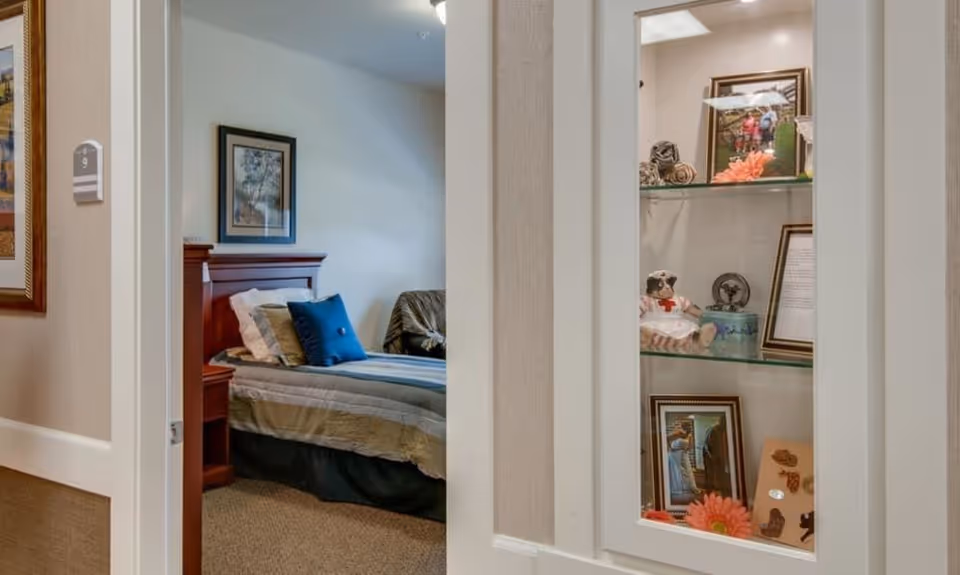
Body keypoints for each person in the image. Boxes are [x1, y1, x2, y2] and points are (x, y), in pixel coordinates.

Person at [667, 422, 700, 502]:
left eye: (689, 426)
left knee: (688, 471)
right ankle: (678, 488)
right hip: (674, 454)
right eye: (687, 426)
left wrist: (686, 449)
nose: (689, 428)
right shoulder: (678, 433)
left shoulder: (689, 435)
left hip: (684, 454)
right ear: (683, 426)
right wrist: (670, 448)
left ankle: (691, 488)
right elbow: (666, 438)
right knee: (677, 471)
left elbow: (690, 447)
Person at [701, 419, 732, 497]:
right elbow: (707, 445)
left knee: (713, 474)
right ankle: (709, 493)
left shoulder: (717, 429)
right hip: (709, 455)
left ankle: (713, 491)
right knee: (710, 474)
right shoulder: (714, 430)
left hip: (712, 455)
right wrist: (712, 457)